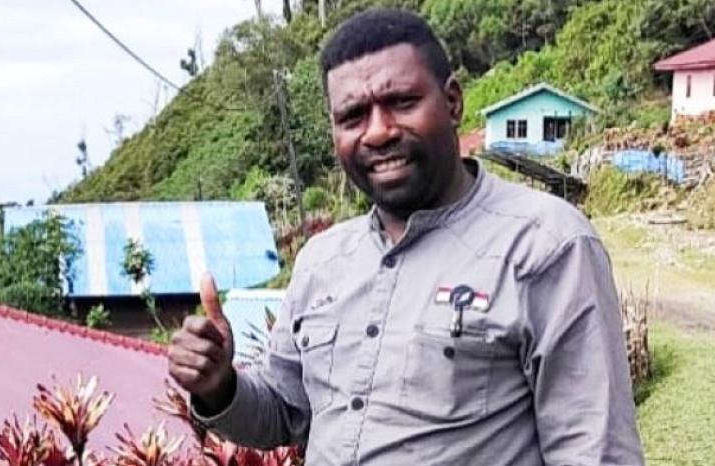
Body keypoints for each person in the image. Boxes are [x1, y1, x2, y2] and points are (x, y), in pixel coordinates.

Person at [168, 8, 644, 465]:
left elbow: (595, 451)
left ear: (452, 101)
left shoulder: (545, 245)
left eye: (401, 102)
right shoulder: (321, 260)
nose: (378, 132)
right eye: (353, 116)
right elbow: (284, 413)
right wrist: (219, 385)